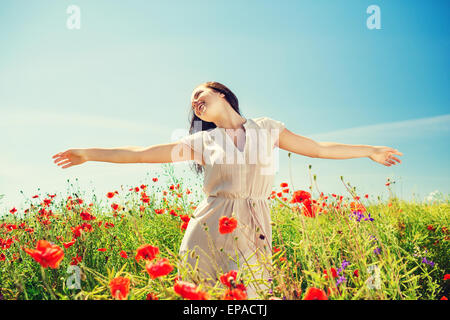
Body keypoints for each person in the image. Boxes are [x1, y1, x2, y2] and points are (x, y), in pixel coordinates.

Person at [52, 81, 403, 299]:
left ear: (221, 93)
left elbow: (319, 148)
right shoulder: (202, 141)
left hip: (253, 225)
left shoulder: (267, 128)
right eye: (192, 101)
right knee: (200, 299)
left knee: (251, 296)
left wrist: (369, 150)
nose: (194, 101)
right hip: (208, 226)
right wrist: (88, 153)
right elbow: (141, 154)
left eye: (199, 93)